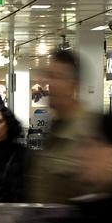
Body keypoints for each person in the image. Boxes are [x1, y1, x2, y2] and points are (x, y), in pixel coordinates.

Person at [27, 50, 98, 204]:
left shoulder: (90, 131)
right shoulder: (52, 128)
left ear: (74, 85)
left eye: (55, 77)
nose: (48, 83)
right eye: (47, 75)